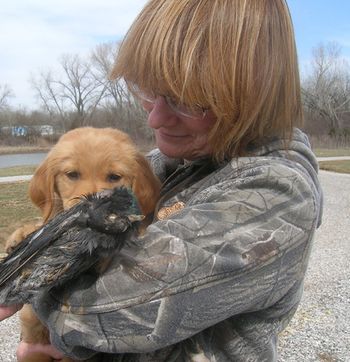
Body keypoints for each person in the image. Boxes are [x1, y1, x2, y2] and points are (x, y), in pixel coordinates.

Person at [0, 0, 323, 361]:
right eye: (147, 90)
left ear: (253, 98)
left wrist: (25, 280)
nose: (154, 119)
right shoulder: (169, 163)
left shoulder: (276, 194)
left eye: (188, 101)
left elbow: (97, 309)